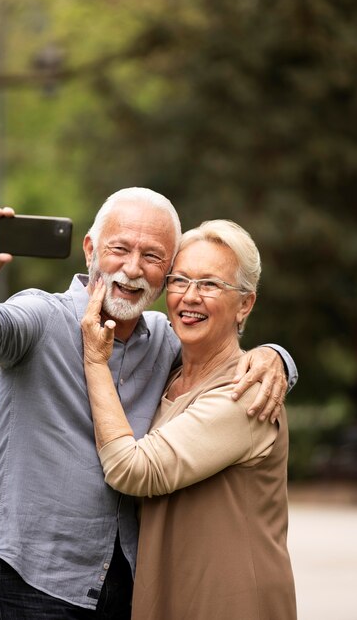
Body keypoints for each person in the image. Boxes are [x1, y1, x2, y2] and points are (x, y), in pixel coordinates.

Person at [0, 188, 297, 619]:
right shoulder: (41, 317)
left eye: (152, 257)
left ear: (164, 270)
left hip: (125, 581)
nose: (132, 269)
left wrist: (275, 356)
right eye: (120, 249)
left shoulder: (167, 341)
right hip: (38, 579)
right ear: (90, 249)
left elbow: (220, 356)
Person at [81, 218, 297, 619]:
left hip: (231, 603)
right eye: (180, 281)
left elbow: (132, 469)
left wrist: (95, 360)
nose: (190, 297)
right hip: (170, 594)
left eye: (211, 284)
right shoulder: (172, 376)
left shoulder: (245, 392)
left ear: (245, 303)